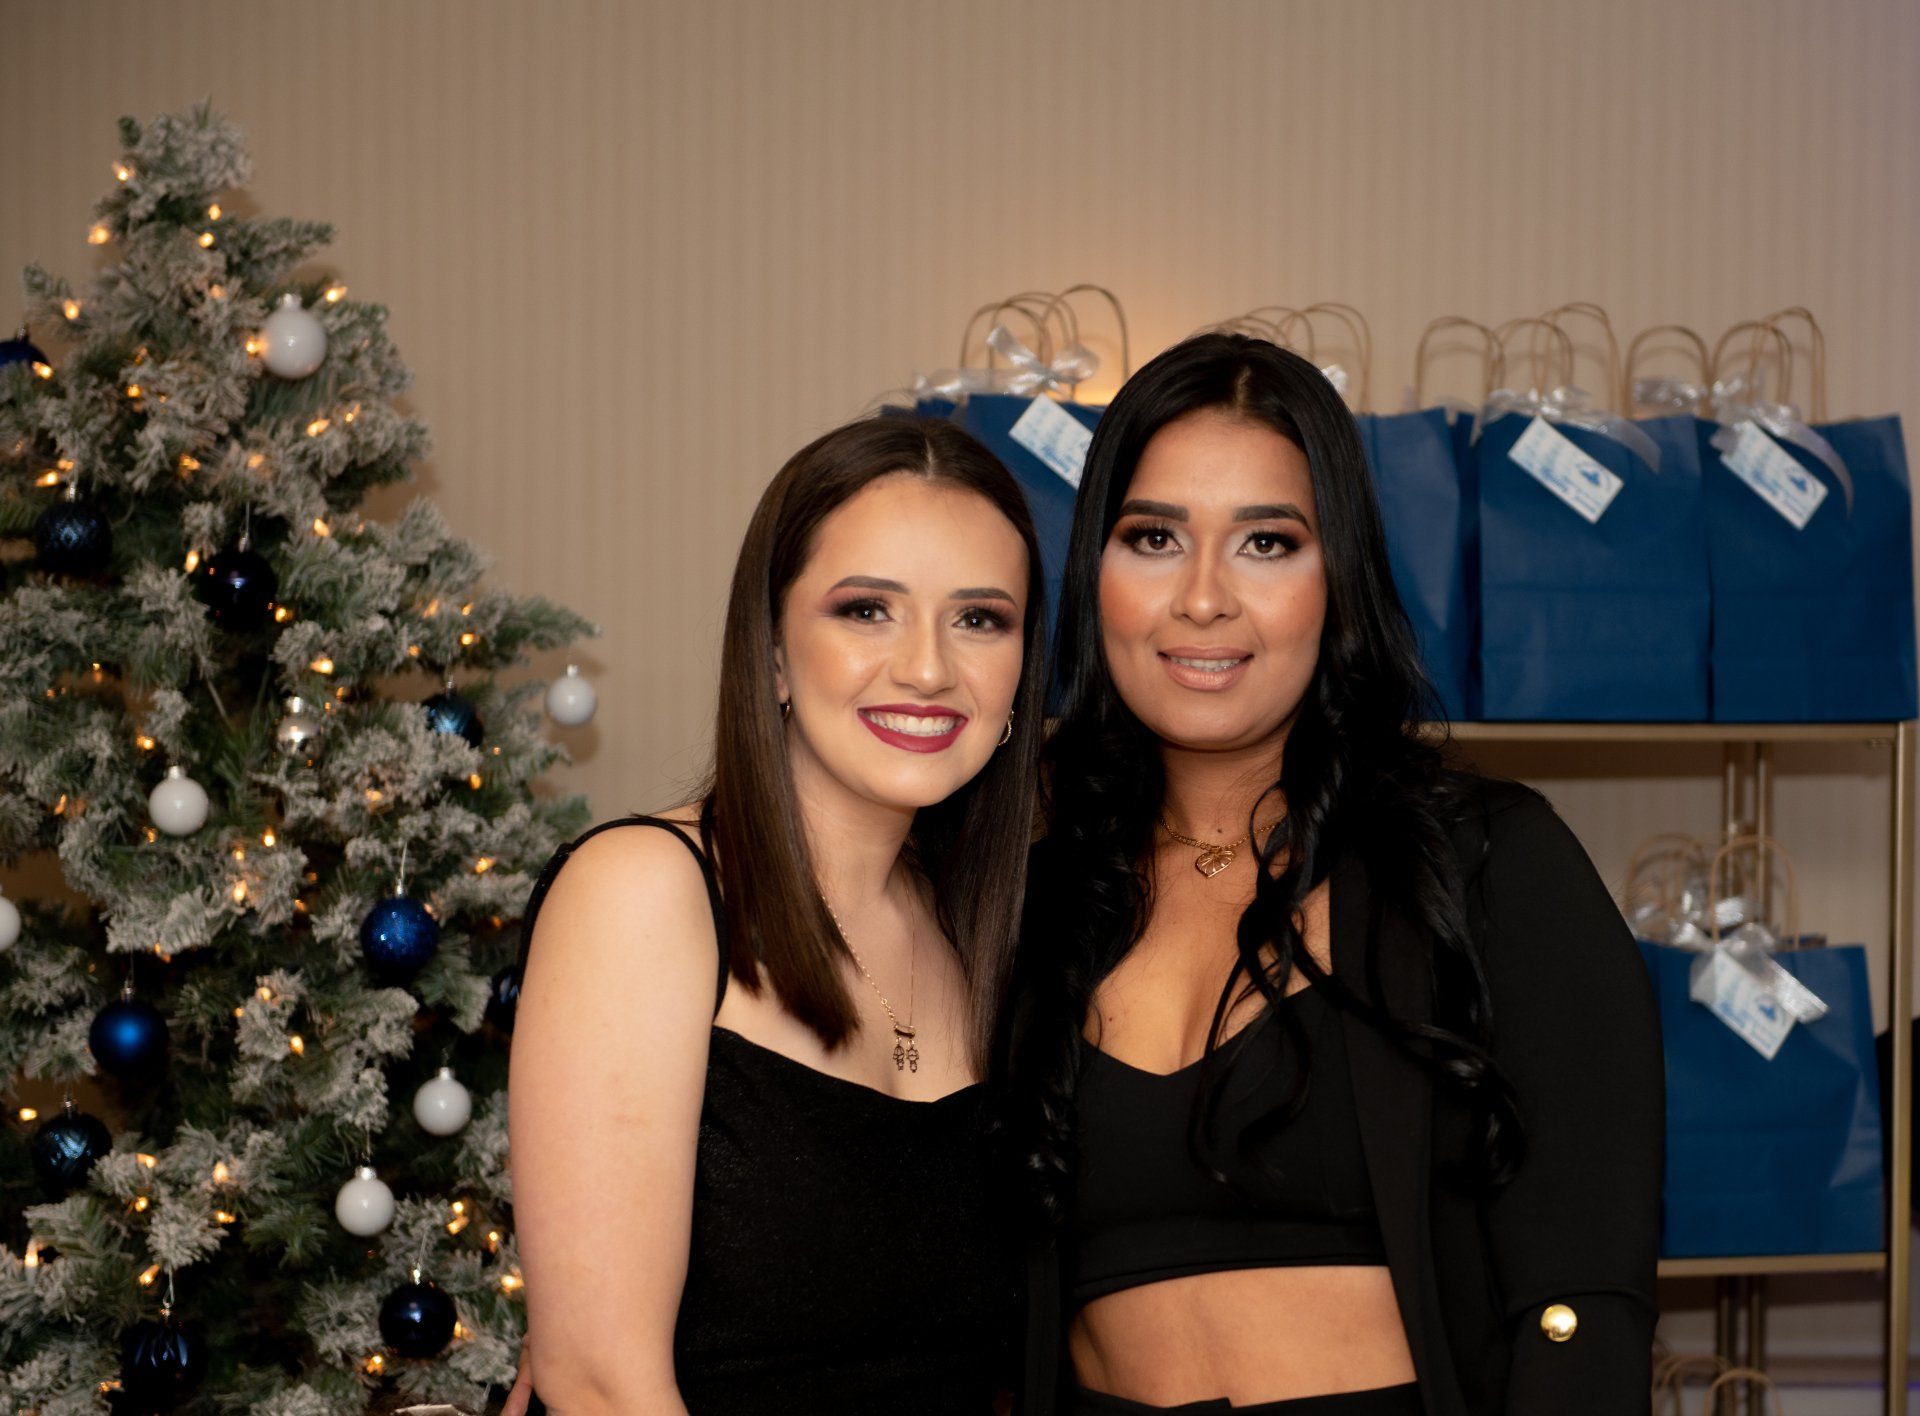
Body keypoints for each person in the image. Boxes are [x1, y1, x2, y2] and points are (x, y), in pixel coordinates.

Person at [994, 333, 1664, 1416]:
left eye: (1267, 543)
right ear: (1097, 572)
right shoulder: (1027, 904)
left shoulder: (1490, 861)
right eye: (1153, 536)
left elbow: (1582, 1288)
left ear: (1338, 581)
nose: (1203, 599)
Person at [504, 415, 1046, 1415]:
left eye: (981, 619)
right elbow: (599, 1382)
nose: (929, 668)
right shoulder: (645, 894)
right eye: (866, 611)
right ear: (775, 652)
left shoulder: (989, 929)